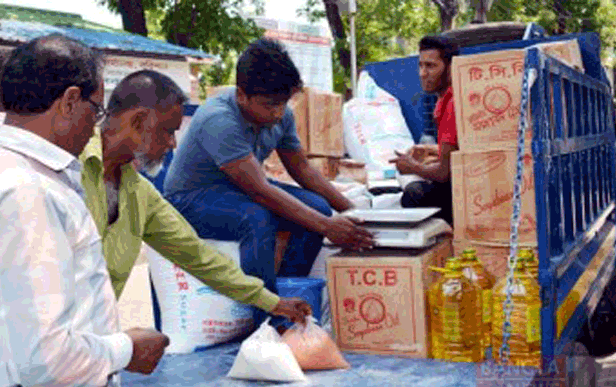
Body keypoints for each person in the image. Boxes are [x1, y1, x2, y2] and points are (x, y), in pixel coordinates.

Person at [0, 34, 168, 387]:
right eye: (96, 110)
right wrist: (128, 350)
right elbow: (45, 362)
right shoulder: (25, 190)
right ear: (70, 101)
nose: (94, 127)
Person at [80, 70, 311, 338]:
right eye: (167, 132)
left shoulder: (139, 193)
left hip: (87, 345)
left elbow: (197, 255)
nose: (171, 144)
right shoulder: (69, 169)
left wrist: (273, 302)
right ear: (140, 120)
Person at [163, 38, 374, 329]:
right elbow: (260, 191)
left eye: (283, 103)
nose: (277, 113)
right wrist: (328, 228)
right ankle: (268, 321)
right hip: (191, 198)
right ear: (241, 95)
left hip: (237, 189)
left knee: (317, 207)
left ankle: (290, 297)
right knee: (257, 218)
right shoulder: (219, 119)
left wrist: (352, 213)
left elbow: (301, 168)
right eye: (269, 105)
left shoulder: (281, 114)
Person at [389, 35, 460, 225]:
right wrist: (431, 150)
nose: (422, 73)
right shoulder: (446, 98)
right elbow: (459, 150)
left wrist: (412, 167)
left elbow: (445, 173)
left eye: (430, 66)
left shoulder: (452, 103)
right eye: (420, 66)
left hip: (463, 194)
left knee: (414, 194)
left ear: (451, 68)